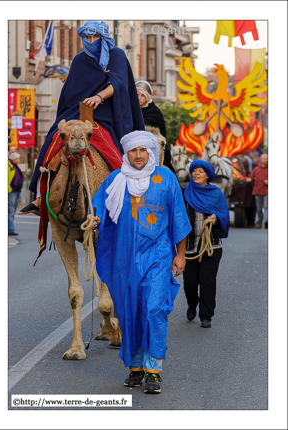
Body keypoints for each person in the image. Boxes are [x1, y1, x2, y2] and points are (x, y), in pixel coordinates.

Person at [88, 130, 191, 394]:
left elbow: (179, 218)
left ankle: (153, 370)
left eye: (143, 150)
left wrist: (180, 254)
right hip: (125, 259)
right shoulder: (116, 179)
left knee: (154, 309)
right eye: (133, 151)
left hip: (158, 256)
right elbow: (100, 207)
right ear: (127, 153)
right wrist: (95, 219)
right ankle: (135, 367)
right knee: (129, 312)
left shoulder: (166, 179)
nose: (138, 155)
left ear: (151, 152)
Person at [19, 20, 144, 215]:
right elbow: (71, 91)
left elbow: (119, 83)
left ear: (103, 37)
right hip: (77, 112)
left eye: (96, 37)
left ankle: (129, 192)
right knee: (52, 139)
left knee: (115, 148)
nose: (92, 41)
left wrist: (99, 96)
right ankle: (40, 196)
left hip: (106, 115)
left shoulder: (116, 54)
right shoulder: (79, 59)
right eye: (88, 37)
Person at [183, 160, 230, 328]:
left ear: (208, 175)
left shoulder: (216, 194)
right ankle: (191, 304)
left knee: (207, 281)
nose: (196, 174)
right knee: (189, 283)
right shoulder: (184, 194)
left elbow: (225, 215)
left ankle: (206, 315)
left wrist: (216, 218)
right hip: (188, 247)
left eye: (200, 171)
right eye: (194, 171)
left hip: (211, 247)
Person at [136, 80, 175, 174]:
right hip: (133, 147)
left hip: (154, 148)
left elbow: (161, 135)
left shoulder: (155, 113)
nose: (139, 98)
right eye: (137, 95)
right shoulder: (129, 110)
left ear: (147, 97)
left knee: (166, 171)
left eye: (143, 95)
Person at [246, 153, 268, 229]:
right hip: (257, 191)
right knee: (259, 208)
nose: (266, 160)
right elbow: (251, 177)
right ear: (261, 160)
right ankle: (259, 221)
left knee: (266, 207)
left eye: (267, 159)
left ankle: (266, 221)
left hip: (266, 191)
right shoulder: (256, 169)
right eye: (265, 159)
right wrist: (248, 180)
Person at [8, 153, 24, 236]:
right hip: (12, 191)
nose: (19, 160)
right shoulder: (9, 165)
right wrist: (9, 189)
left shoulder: (15, 166)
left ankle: (10, 229)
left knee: (13, 211)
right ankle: (11, 230)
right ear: (14, 159)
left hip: (17, 191)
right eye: (17, 159)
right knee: (10, 211)